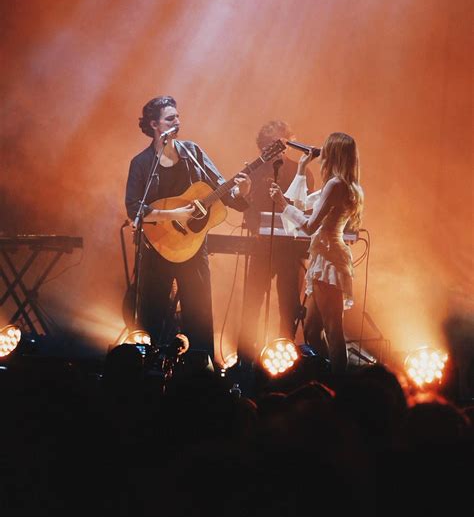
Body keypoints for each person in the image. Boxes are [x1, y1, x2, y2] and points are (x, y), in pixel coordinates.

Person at [125, 95, 251, 365]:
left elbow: (222, 188)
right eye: (171, 119)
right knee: (153, 313)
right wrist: (174, 213)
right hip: (156, 249)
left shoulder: (192, 153)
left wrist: (242, 189)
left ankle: (200, 368)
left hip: (193, 249)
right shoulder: (141, 163)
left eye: (178, 117)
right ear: (154, 125)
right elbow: (134, 207)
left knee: (199, 312)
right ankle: (151, 368)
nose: (177, 122)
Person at [270, 132, 364, 378]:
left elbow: (309, 225)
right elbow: (302, 205)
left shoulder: (336, 185)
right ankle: (326, 374)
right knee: (312, 330)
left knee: (333, 330)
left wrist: (283, 205)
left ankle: (338, 385)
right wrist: (301, 169)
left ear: (333, 154)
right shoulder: (337, 184)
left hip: (330, 260)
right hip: (324, 257)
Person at [239, 120, 314, 367]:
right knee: (252, 300)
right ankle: (244, 357)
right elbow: (246, 206)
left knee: (289, 303)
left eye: (282, 141)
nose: (278, 147)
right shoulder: (255, 170)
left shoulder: (301, 171)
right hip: (261, 246)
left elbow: (304, 209)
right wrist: (253, 223)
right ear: (263, 146)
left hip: (290, 249)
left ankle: (286, 355)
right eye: (272, 143)